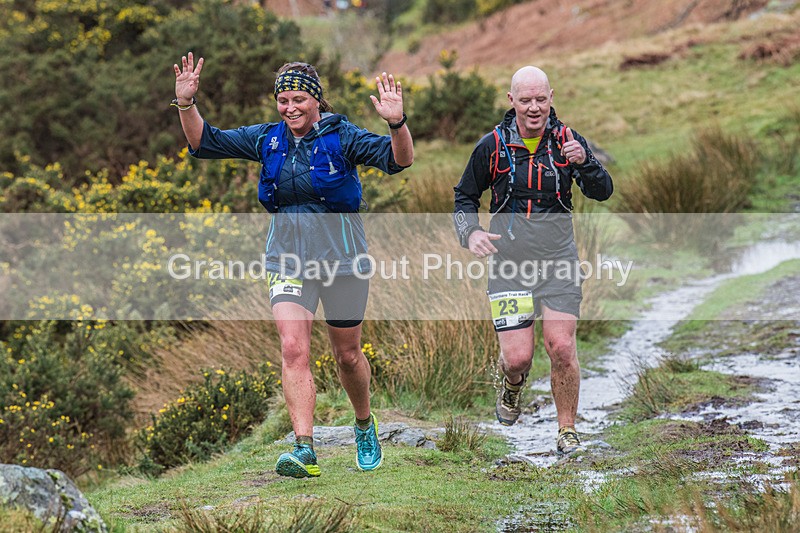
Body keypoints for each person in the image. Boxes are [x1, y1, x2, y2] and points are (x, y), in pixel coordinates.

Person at [173, 52, 413, 477]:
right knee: (292, 347)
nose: (290, 109)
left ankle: (363, 424)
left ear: (317, 101)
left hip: (343, 261)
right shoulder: (267, 139)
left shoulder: (344, 137)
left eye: (299, 99)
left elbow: (400, 160)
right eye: (283, 101)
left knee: (348, 356)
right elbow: (203, 142)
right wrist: (187, 104)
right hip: (287, 259)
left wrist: (397, 123)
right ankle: (305, 448)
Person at [453, 66, 612, 455]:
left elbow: (603, 191)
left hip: (559, 262)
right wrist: (470, 233)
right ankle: (511, 384)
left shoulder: (568, 140)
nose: (535, 107)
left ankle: (567, 430)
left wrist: (585, 163)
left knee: (561, 347)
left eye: (541, 99)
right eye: (526, 100)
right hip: (510, 266)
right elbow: (464, 198)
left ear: (551, 97)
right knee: (518, 358)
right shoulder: (491, 145)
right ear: (512, 101)